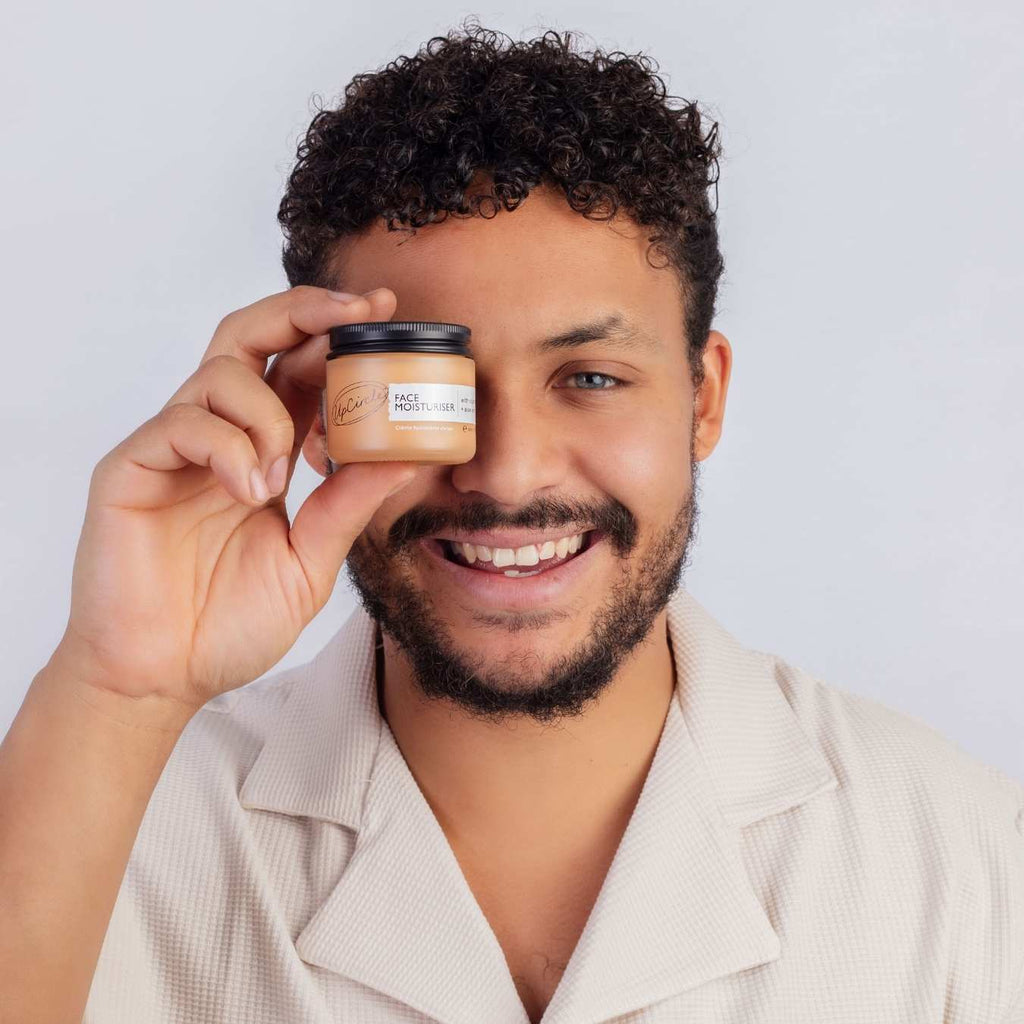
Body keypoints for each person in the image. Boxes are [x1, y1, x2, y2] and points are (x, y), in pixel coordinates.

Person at [2, 20, 1022, 1024]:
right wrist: (118, 688)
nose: (506, 470)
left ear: (701, 399)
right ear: (315, 410)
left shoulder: (967, 864)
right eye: (426, 391)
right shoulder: (97, 827)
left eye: (588, 376)